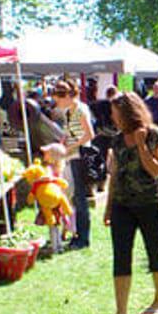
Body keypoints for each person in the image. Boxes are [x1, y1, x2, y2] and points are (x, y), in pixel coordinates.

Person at [100, 92, 158, 314]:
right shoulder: (118, 140)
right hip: (122, 205)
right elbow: (115, 176)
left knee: (154, 251)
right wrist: (108, 208)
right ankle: (121, 312)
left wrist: (141, 144)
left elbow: (156, 170)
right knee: (121, 256)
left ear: (129, 112)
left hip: (150, 203)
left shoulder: (155, 135)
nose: (113, 117)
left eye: (115, 112)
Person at [53, 78, 95, 250]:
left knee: (80, 198)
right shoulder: (70, 110)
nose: (58, 104)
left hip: (79, 157)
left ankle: (83, 238)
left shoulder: (79, 109)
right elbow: (72, 132)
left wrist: (69, 147)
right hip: (72, 156)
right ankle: (77, 234)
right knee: (75, 198)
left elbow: (89, 135)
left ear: (67, 96)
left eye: (59, 100)